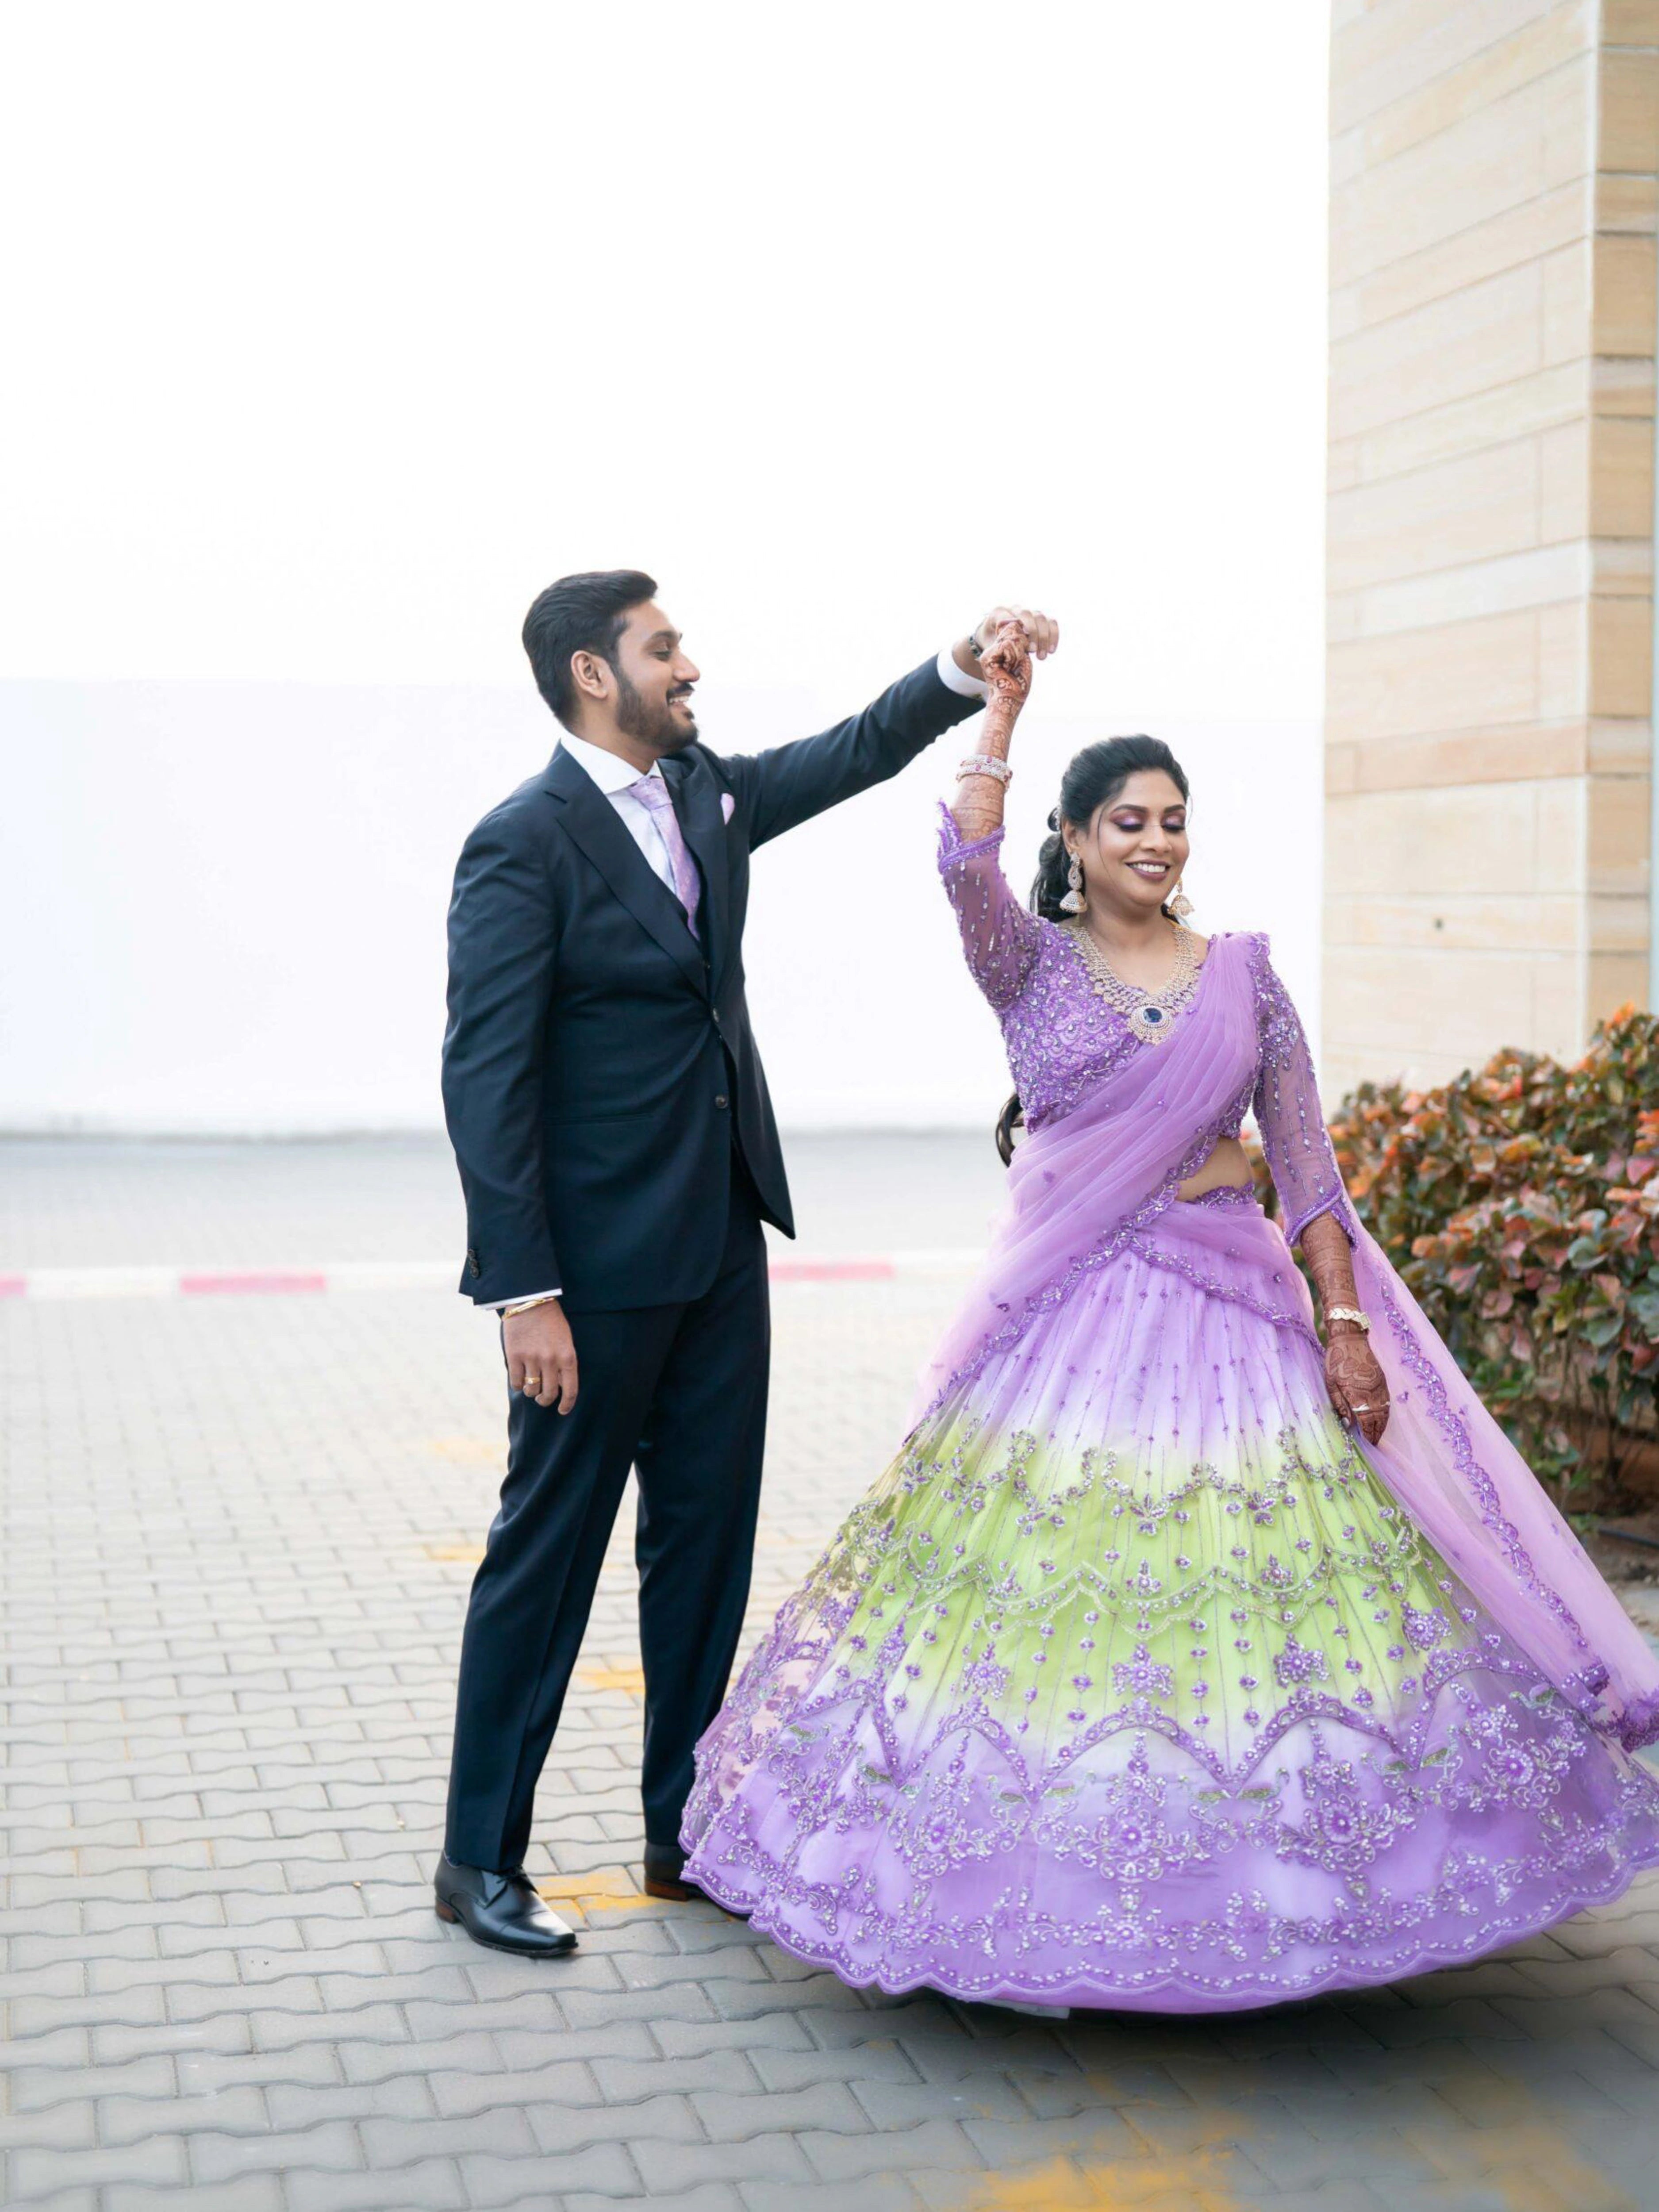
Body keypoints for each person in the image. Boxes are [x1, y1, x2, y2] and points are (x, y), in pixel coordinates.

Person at [680, 623, 1659, 2011]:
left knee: (1266, 1600)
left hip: (1237, 1320)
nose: (1155, 841)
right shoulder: (1026, 962)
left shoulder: (1243, 975)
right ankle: (1039, 1894)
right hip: (1069, 1333)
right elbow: (961, 865)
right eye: (1127, 821)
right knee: (1066, 1602)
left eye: (1173, 820)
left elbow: (1308, 1170)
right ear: (1076, 840)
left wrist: (1346, 1327)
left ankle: (1300, 1896)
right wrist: (1000, 715)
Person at [434, 570, 1059, 1956]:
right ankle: (478, 1858)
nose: (688, 666)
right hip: (592, 1276)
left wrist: (963, 669)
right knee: (548, 1556)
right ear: (594, 673)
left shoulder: (708, 795)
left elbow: (854, 750)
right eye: (663, 647)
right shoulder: (521, 843)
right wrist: (523, 1290)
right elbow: (485, 1077)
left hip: (721, 1242)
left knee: (706, 1548)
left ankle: (685, 1834)